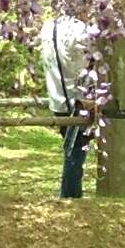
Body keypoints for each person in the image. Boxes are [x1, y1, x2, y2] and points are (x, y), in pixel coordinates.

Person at [39, 11, 98, 199]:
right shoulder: (79, 29)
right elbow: (88, 62)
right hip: (77, 100)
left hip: (57, 99)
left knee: (72, 149)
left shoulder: (47, 26)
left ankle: (70, 193)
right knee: (76, 152)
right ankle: (70, 195)